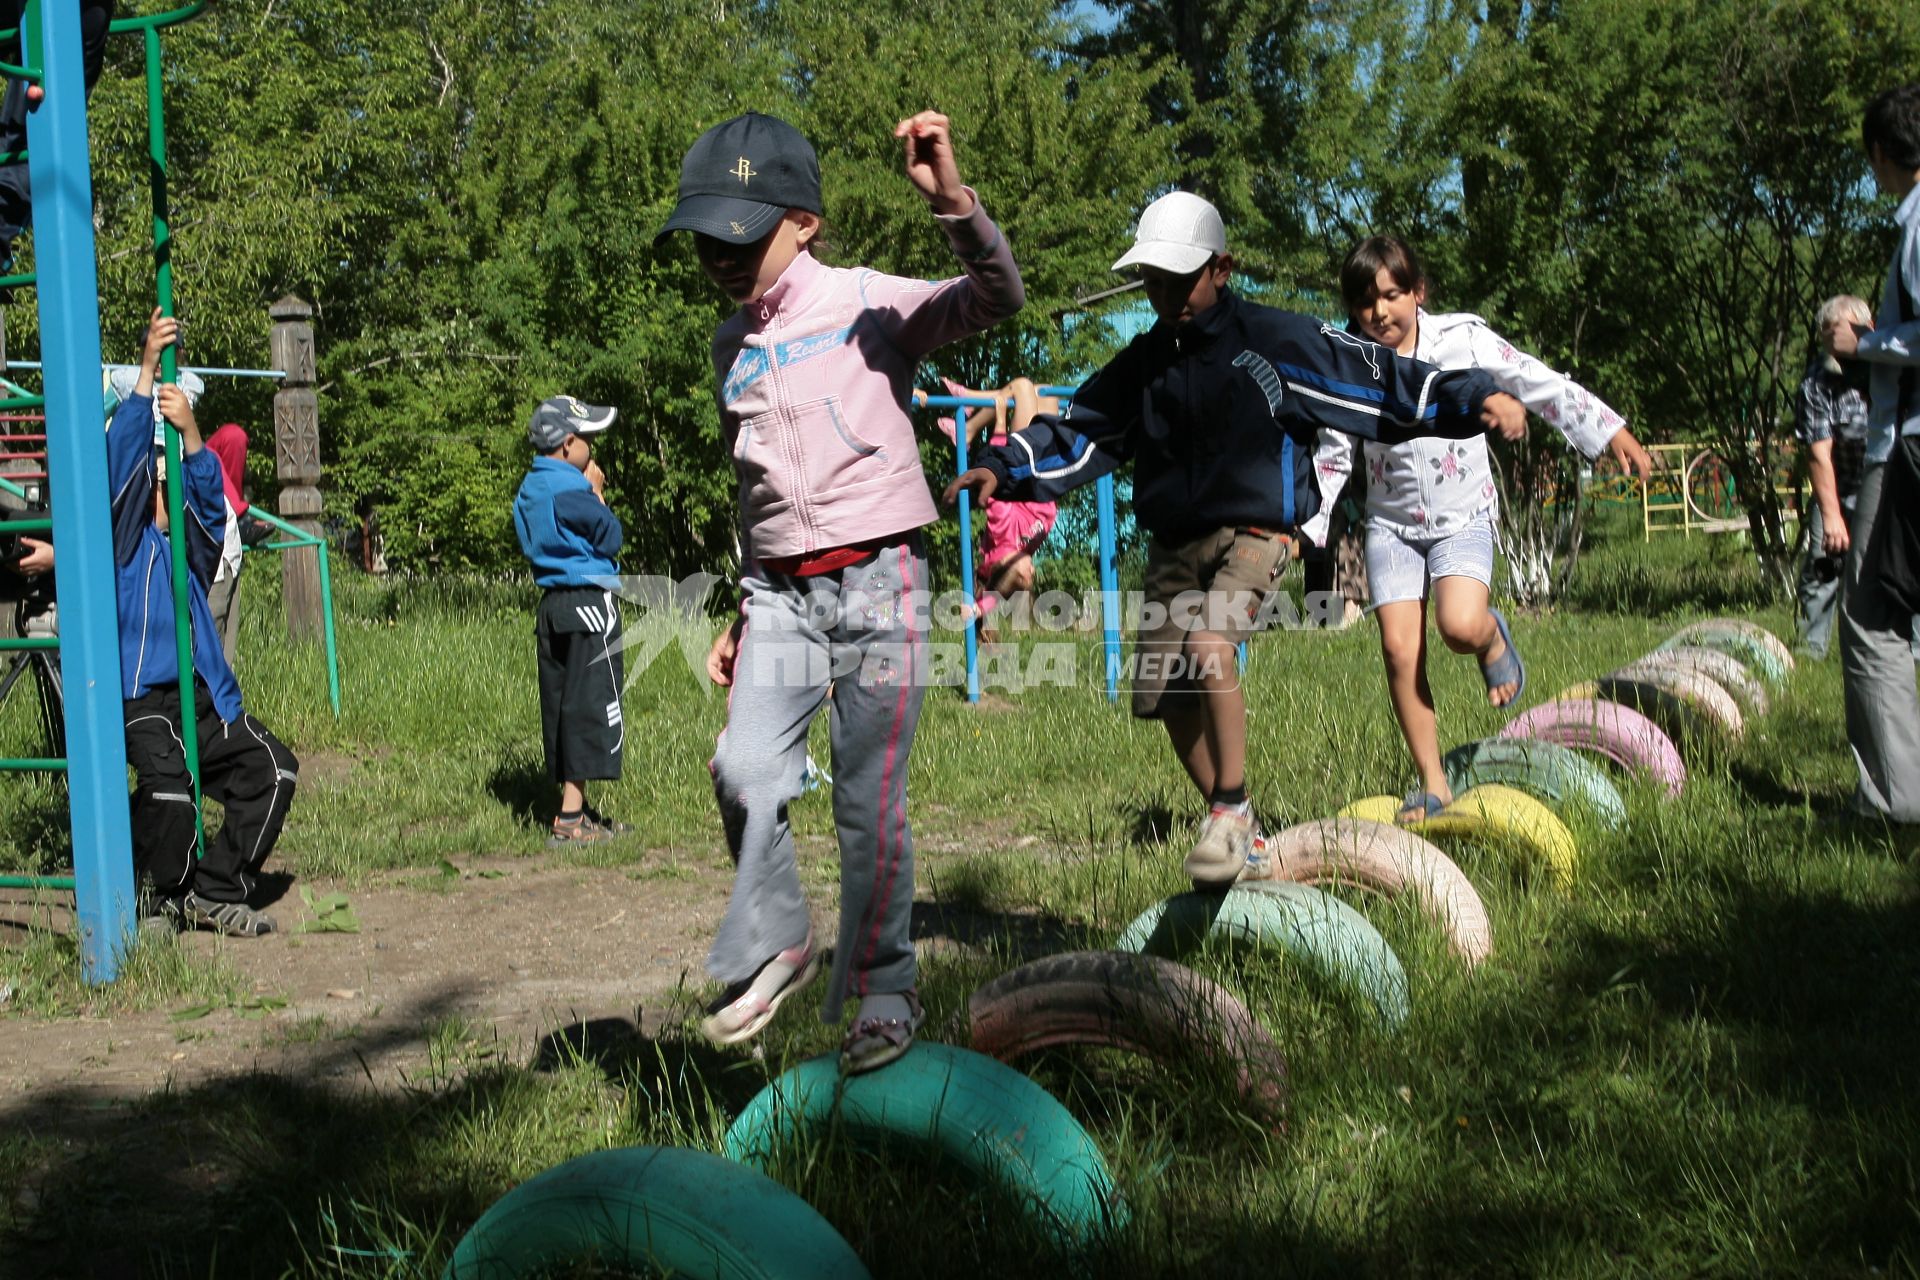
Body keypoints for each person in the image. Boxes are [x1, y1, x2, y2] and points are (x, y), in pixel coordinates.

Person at [947, 192, 1524, 886]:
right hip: (1173, 545)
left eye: (1178, 279)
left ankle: (1227, 809)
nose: (1163, 295)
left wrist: (1468, 396)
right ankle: (1241, 823)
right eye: (1151, 281)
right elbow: (1083, 427)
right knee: (1164, 698)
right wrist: (1005, 467)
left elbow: (1375, 380)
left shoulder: (1275, 341)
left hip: (1259, 531)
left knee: (1210, 644)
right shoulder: (1147, 361)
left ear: (1222, 267)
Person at [658, 109, 1023, 1071]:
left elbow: (995, 295)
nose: (722, 258)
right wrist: (745, 608)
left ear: (805, 221)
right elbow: (754, 489)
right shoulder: (728, 348)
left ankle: (882, 990)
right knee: (742, 768)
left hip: (880, 583)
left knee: (867, 800)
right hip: (779, 596)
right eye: (706, 239)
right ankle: (780, 935)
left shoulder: (869, 302)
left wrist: (953, 202)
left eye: (742, 235)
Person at [1307, 235, 1654, 823]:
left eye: (1394, 295)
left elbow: (1536, 381)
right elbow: (1333, 453)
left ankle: (1490, 639)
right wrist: (1310, 526)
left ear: (1419, 293)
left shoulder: (1460, 341)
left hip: (1461, 515)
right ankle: (1434, 782)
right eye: (1367, 302)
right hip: (1390, 525)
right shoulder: (1348, 364)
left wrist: (1609, 432)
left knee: (1459, 626)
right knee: (1397, 649)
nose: (1381, 312)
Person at [114, 310, 299, 937]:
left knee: (274, 770)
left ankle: (215, 888)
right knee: (169, 794)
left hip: (201, 696)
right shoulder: (124, 545)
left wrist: (191, 436)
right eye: (156, 484)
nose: (162, 494)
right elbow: (122, 467)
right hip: (144, 699)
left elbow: (209, 498)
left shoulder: (186, 548)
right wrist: (145, 374)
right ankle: (156, 891)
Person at [1824, 82, 1920, 825]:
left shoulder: (1919, 225)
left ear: (1886, 153)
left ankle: (1894, 801)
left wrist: (1868, 344)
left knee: (1869, 615)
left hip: (1909, 446)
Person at [510, 394, 632, 845]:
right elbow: (610, 537)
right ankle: (570, 820)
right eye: (586, 438)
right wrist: (597, 493)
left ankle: (574, 807)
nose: (592, 448)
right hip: (588, 602)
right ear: (566, 444)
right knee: (589, 707)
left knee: (562, 707)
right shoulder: (572, 490)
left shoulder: (530, 488)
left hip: (552, 607)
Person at [928, 375, 1059, 640]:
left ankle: (968, 414)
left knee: (1021, 387)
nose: (1033, 571)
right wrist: (978, 610)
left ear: (1008, 564)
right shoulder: (1025, 546)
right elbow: (997, 592)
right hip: (1047, 467)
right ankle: (968, 425)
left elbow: (998, 480)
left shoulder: (1004, 536)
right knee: (1045, 392)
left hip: (1022, 462)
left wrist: (1000, 424)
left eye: (1026, 575)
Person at [1793, 296, 1873, 660]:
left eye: (1836, 337)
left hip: (1889, 484)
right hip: (1837, 486)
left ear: (1866, 330)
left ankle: (1913, 648)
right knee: (1824, 566)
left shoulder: (1895, 369)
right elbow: (1817, 453)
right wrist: (1832, 516)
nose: (1831, 347)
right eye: (1825, 338)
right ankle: (1811, 651)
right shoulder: (1816, 381)